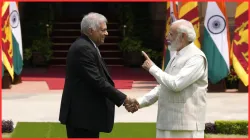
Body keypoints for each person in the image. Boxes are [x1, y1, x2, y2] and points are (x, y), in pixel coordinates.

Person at [59, 12, 138, 138]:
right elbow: (97, 81)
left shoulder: (88, 46)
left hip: (86, 117)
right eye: (103, 30)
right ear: (91, 31)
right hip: (81, 118)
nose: (106, 33)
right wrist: (124, 99)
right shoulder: (83, 48)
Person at [125, 19, 208, 138]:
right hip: (166, 123)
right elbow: (164, 86)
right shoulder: (177, 56)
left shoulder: (197, 58)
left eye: (171, 34)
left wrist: (153, 68)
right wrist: (140, 101)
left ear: (183, 36)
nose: (167, 36)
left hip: (185, 126)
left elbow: (176, 84)